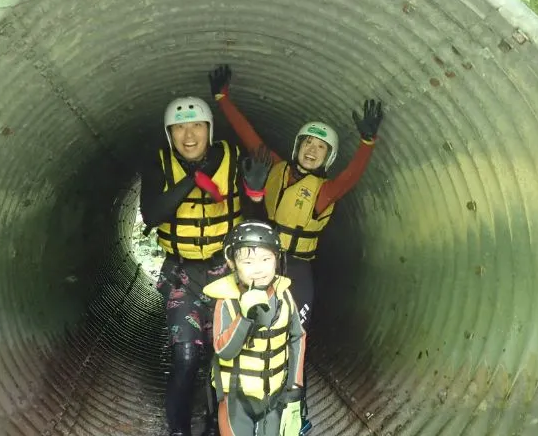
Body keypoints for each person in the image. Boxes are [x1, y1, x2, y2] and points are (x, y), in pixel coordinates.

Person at [208, 64, 384, 432]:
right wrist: (223, 99)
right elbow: (248, 135)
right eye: (308, 143)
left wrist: (367, 143)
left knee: (291, 341)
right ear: (297, 146)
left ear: (326, 158)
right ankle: (231, 410)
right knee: (241, 333)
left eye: (320, 148)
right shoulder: (274, 167)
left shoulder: (324, 192)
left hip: (298, 273)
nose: (312, 151)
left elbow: (351, 177)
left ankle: (293, 414)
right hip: (259, 265)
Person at [140, 96, 271, 436]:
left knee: (225, 355)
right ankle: (179, 430)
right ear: (170, 134)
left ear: (209, 130)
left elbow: (257, 225)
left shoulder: (232, 158)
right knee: (185, 356)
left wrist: (255, 194)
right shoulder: (158, 163)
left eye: (196, 126)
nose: (188, 135)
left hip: (225, 273)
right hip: (182, 274)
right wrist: (193, 179)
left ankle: (218, 426)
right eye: (179, 128)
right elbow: (152, 215)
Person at [203, 220, 306, 436]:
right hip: (237, 400)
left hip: (274, 396)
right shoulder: (228, 301)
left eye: (266, 259)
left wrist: (295, 386)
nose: (258, 269)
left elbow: (297, 337)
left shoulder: (283, 295)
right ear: (232, 264)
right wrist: (244, 317)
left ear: (277, 260)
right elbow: (224, 351)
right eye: (248, 262)